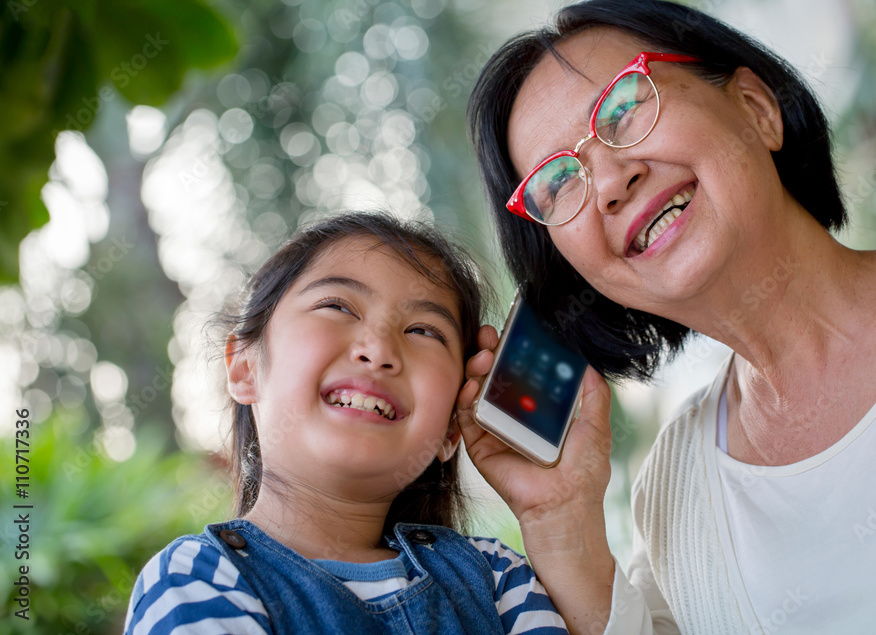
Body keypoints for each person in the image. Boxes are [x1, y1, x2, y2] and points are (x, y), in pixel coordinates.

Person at [461, 0, 876, 634]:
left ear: (755, 108)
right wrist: (559, 519)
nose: (607, 182)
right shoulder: (669, 494)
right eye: (558, 184)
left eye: (625, 107)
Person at [123, 213, 569, 635]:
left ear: (452, 428)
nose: (378, 350)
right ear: (244, 368)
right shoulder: (195, 579)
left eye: (424, 331)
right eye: (337, 306)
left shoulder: (497, 579)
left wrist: (559, 510)